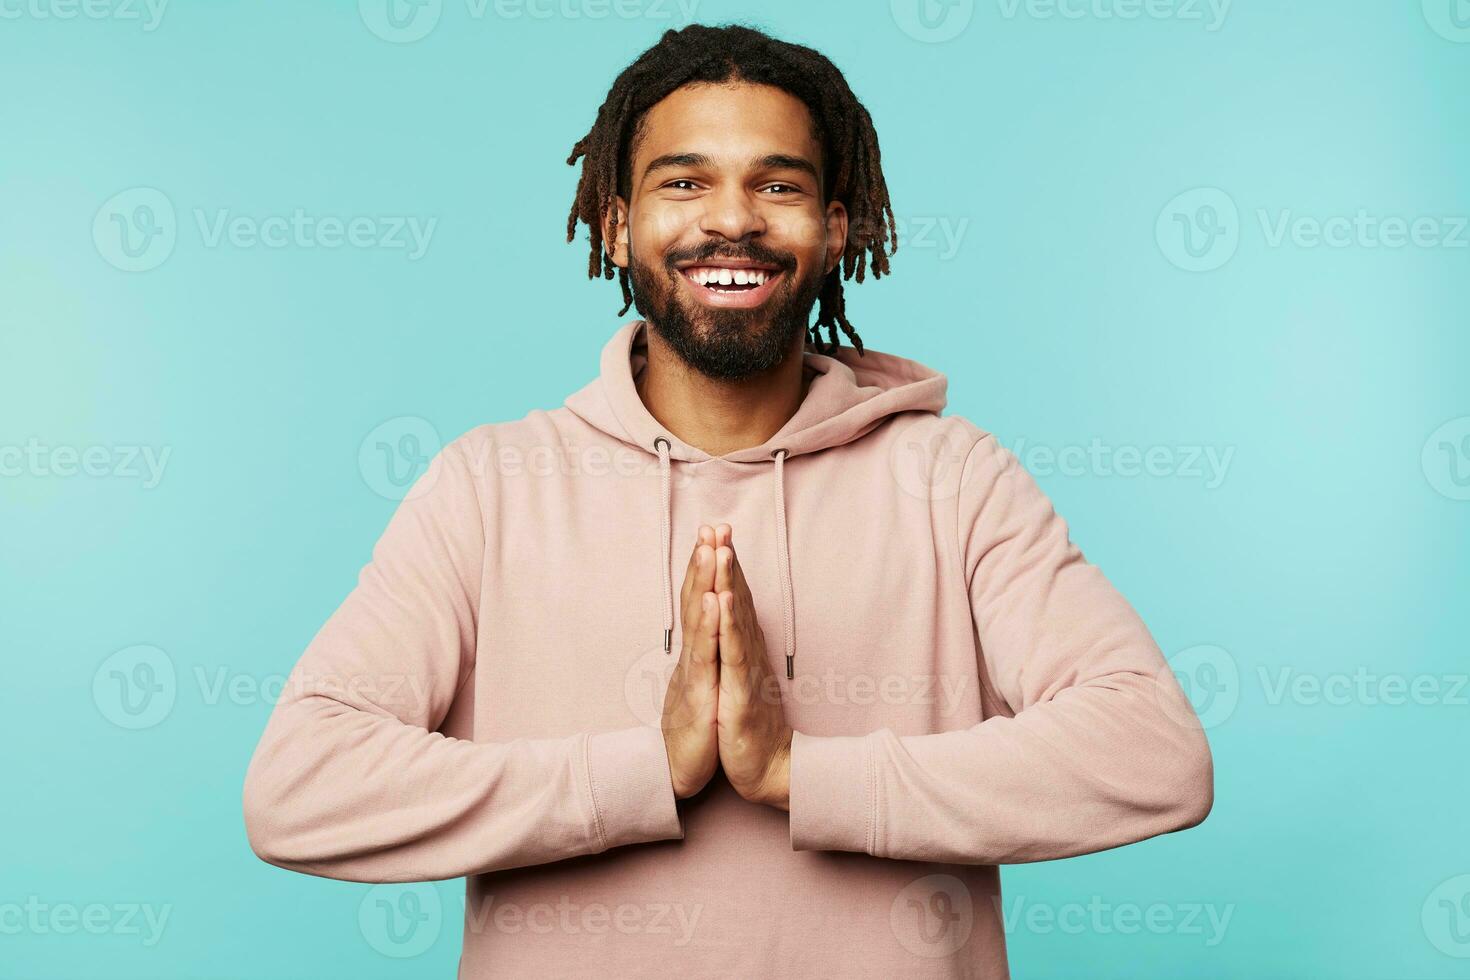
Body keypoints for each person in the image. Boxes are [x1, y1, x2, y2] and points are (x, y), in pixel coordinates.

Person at [242, 22, 1213, 979]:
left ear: (835, 227)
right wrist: (640, 771)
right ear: (617, 222)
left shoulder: (952, 478)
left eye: (778, 184)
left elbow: (1152, 753)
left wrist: (797, 772)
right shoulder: (490, 486)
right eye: (686, 181)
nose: (734, 218)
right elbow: (300, 786)